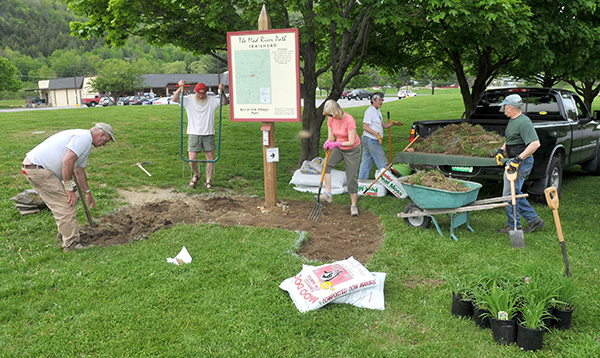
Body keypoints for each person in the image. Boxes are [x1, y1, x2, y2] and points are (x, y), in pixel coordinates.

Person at [21, 123, 116, 251]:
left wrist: (87, 192)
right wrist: (68, 188)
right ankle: (71, 243)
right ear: (102, 134)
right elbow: (67, 161)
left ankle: (68, 231)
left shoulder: (85, 143)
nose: (103, 145)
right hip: (38, 169)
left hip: (36, 169)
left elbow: (79, 171)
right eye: (105, 141)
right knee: (64, 205)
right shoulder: (83, 138)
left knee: (63, 203)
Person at [495, 94, 545, 234]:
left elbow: (535, 144)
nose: (504, 109)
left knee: (510, 194)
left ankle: (514, 225)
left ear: (510, 107)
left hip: (521, 163)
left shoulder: (524, 122)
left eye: (505, 107)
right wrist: (502, 150)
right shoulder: (513, 120)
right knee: (513, 193)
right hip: (514, 160)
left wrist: (518, 160)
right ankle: (532, 220)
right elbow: (511, 138)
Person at [173, 80, 228, 189]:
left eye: (203, 93)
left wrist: (222, 91)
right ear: (195, 92)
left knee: (210, 158)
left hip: (208, 133)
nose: (201, 96)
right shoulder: (189, 100)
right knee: (192, 158)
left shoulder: (212, 100)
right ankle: (196, 174)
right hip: (194, 133)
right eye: (199, 93)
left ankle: (208, 181)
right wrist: (180, 87)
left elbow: (224, 103)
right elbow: (174, 99)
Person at [316, 99, 361, 216]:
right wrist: (328, 142)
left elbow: (351, 142)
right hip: (339, 148)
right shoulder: (331, 119)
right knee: (326, 165)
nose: (330, 117)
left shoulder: (349, 120)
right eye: (328, 115)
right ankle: (328, 194)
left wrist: (336, 144)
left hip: (352, 150)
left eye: (331, 114)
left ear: (336, 111)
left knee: (351, 177)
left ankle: (353, 205)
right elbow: (331, 138)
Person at [358, 92, 403, 179]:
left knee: (366, 162)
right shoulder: (370, 111)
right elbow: (365, 126)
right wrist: (377, 134)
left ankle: (361, 182)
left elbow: (383, 125)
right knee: (382, 163)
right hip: (371, 139)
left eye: (382, 100)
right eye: (379, 100)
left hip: (370, 139)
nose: (381, 102)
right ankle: (390, 182)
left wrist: (393, 123)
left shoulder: (377, 111)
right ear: (373, 100)